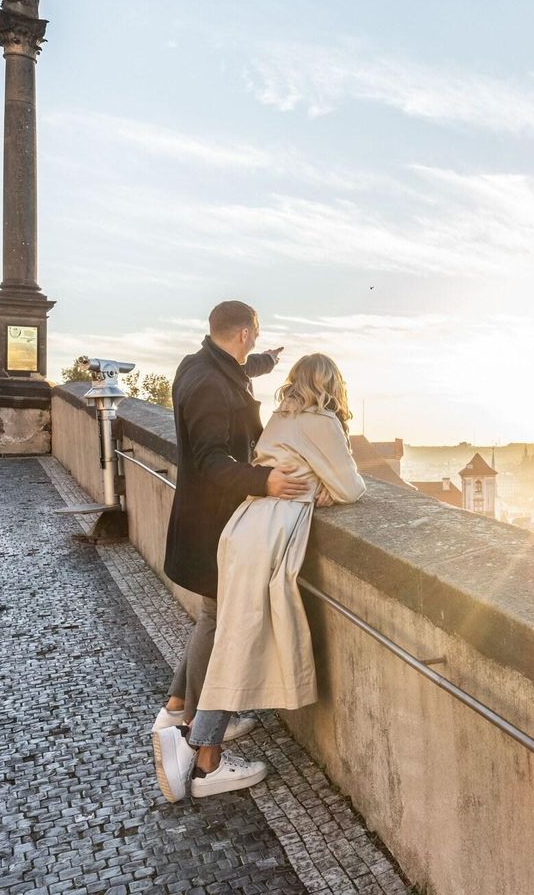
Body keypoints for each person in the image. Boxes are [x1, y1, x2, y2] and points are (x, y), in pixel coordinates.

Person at [154, 353, 366, 802]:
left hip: (244, 527)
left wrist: (311, 484)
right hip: (267, 536)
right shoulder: (321, 421)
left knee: (233, 635)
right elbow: (352, 487)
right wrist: (320, 489)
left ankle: (186, 722)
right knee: (237, 642)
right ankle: (203, 760)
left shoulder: (281, 416)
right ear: (332, 384)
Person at [151, 300, 311, 802]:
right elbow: (212, 460)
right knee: (220, 622)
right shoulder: (210, 388)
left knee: (211, 617)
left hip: (203, 518)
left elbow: (237, 372)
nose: (254, 348)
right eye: (254, 339)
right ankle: (201, 745)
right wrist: (266, 480)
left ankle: (178, 707)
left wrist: (267, 360)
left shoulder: (200, 365)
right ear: (243, 333)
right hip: (212, 523)